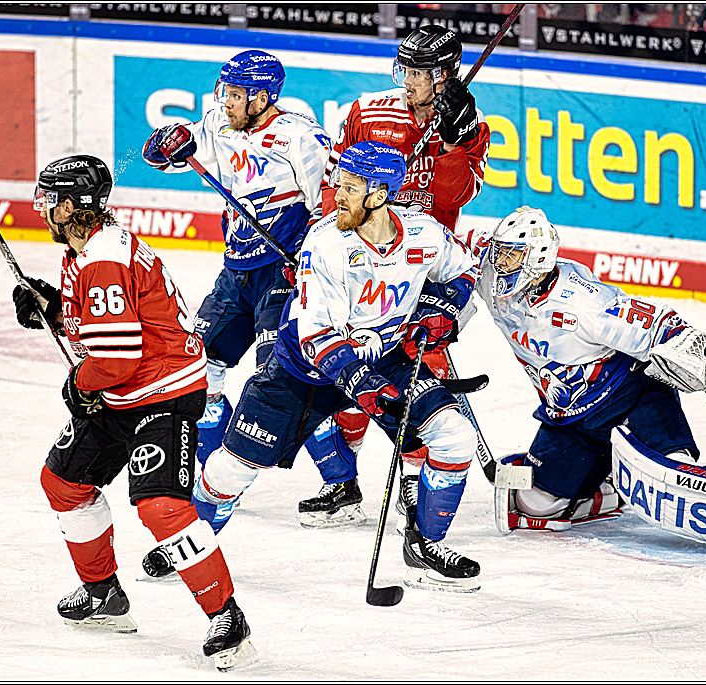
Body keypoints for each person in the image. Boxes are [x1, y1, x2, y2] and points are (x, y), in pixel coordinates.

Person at [192, 141, 484, 591]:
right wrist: (360, 380)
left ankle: (424, 544)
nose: (336, 194)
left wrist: (441, 308)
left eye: (349, 187)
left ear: (380, 195)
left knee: (454, 435)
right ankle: (191, 544)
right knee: (232, 469)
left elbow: (463, 271)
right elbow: (314, 336)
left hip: (387, 359)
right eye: (338, 183)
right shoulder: (325, 243)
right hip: (303, 372)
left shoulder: (424, 234)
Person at [470, 206, 706, 565]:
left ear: (538, 259)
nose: (500, 262)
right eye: (500, 251)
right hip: (571, 419)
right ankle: (615, 487)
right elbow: (452, 253)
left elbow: (655, 323)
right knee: (533, 505)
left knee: (675, 474)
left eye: (512, 254)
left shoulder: (583, 303)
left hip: (630, 399)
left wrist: (686, 344)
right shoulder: (488, 273)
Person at [12, 155, 255, 670]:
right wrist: (52, 307)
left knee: (160, 506)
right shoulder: (86, 251)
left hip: (163, 392)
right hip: (127, 392)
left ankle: (227, 617)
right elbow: (102, 326)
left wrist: (79, 385)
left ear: (74, 205)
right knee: (64, 483)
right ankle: (103, 595)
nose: (44, 211)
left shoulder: (101, 258)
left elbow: (116, 359)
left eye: (51, 201)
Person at [298, 24, 492, 529]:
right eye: (402, 67)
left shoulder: (470, 126)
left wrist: (454, 144)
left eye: (419, 71)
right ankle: (342, 484)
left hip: (420, 268)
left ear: (445, 75)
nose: (406, 80)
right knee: (346, 369)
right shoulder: (369, 109)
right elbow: (334, 184)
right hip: (359, 259)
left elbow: (454, 199)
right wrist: (329, 240)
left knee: (412, 383)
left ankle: (412, 485)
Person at [142, 49, 332, 471]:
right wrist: (165, 144)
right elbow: (164, 158)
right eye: (223, 90)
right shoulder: (217, 124)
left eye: (235, 93)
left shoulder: (301, 136)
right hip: (236, 272)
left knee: (279, 379)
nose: (224, 100)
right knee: (198, 364)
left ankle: (339, 481)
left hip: (282, 273)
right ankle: (212, 467)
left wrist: (309, 260)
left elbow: (330, 208)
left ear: (262, 97)